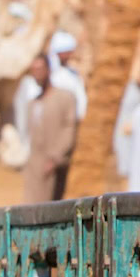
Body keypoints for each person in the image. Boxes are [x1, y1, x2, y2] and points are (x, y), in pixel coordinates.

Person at [19, 43, 82, 204]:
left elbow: (69, 129)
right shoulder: (33, 104)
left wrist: (54, 158)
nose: (37, 75)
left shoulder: (65, 98)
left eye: (40, 70)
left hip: (54, 165)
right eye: (34, 71)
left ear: (48, 70)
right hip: (34, 166)